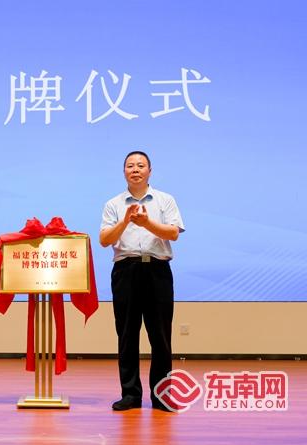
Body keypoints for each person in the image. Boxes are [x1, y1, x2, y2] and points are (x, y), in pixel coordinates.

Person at [100, 150, 184, 411]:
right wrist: (126, 220)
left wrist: (147, 223)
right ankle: (130, 394)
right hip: (125, 271)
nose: (135, 169)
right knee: (127, 335)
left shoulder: (165, 200)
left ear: (150, 171)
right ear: (124, 171)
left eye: (140, 165)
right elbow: (104, 240)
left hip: (157, 271)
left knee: (160, 336)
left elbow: (173, 233)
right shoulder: (113, 204)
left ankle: (162, 396)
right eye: (130, 166)